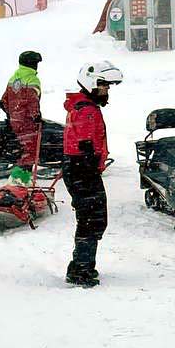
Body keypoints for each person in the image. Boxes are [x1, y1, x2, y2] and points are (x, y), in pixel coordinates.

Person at [62, 60, 124, 287]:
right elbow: (85, 144)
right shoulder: (86, 111)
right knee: (92, 220)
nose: (107, 91)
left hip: (79, 169)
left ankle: (82, 265)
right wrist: (90, 168)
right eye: (104, 86)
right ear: (92, 84)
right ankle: (80, 270)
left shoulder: (84, 106)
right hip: (82, 170)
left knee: (92, 219)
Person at [1, 50, 43, 185]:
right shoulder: (32, 79)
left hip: (15, 120)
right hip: (27, 121)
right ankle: (19, 181)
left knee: (24, 149)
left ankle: (22, 179)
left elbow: (5, 99)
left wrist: (12, 114)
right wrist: (36, 116)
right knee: (30, 151)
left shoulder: (14, 78)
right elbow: (32, 100)